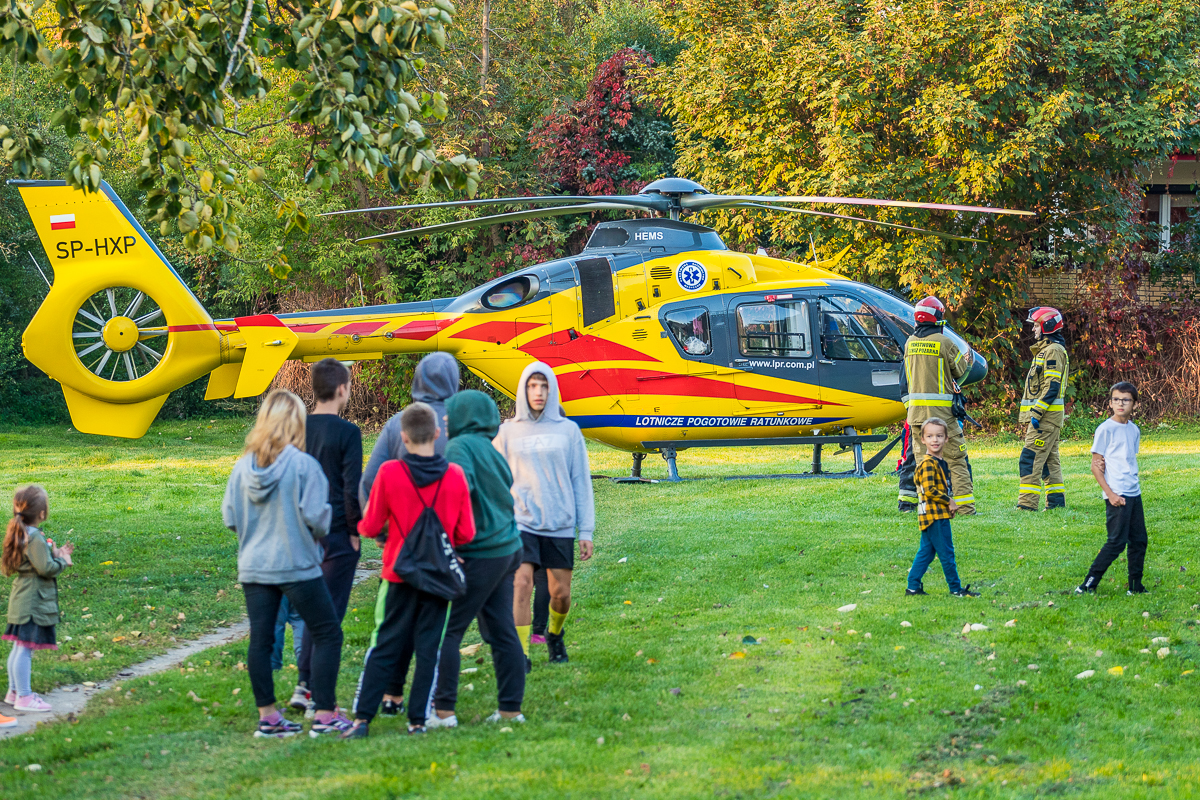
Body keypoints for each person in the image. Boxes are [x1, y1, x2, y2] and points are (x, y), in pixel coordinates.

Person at [221, 390, 350, 738]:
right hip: (296, 564)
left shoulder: (242, 466)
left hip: (255, 566)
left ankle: (268, 717)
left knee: (260, 641)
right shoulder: (304, 465)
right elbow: (319, 520)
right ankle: (324, 714)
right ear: (297, 423)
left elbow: (230, 517)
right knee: (326, 632)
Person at [343, 402, 475, 739]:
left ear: (403, 437)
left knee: (385, 644)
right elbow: (465, 534)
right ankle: (417, 719)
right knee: (428, 648)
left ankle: (362, 719)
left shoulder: (389, 473)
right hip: (438, 575)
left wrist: (388, 529)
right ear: (436, 433)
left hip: (399, 572)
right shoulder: (455, 475)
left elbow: (370, 525)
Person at [358, 352, 459, 715]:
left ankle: (389, 693)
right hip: (444, 549)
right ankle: (425, 707)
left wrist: (383, 533)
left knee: (391, 626)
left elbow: (369, 483)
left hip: (399, 547)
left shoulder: (399, 424)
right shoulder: (458, 423)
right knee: (433, 632)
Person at [427, 390, 527, 729]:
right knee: (502, 629)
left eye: (449, 413)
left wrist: (448, 539)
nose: (444, 418)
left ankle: (443, 712)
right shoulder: (489, 449)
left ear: (464, 417)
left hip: (480, 551)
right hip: (507, 548)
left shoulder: (459, 448)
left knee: (447, 630)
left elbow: (458, 487)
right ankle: (511, 710)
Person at [496, 362, 595, 668]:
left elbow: (581, 480)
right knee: (521, 584)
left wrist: (586, 531)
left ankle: (553, 633)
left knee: (560, 594)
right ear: (523, 390)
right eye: (532, 386)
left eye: (544, 386)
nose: (538, 392)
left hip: (559, 523)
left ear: (552, 390)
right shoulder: (507, 432)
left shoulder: (568, 431)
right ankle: (521, 653)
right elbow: (493, 477)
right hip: (520, 523)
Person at [287, 358, 363, 717]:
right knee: (330, 615)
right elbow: (351, 488)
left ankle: (304, 684)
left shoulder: (296, 429)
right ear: (343, 389)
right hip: (334, 533)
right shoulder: (348, 433)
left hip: (302, 531)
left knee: (312, 613)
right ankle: (319, 697)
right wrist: (354, 532)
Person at [898, 297, 977, 515]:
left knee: (924, 465)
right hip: (942, 417)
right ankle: (966, 509)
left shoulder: (909, 343)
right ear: (938, 317)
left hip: (916, 417)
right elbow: (961, 371)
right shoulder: (945, 343)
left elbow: (905, 379)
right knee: (957, 461)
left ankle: (930, 508)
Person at [3, 485, 73, 715]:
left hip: (22, 597)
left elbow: (35, 560)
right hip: (32, 601)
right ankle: (24, 696)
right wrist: (64, 561)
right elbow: (45, 568)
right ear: (42, 513)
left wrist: (53, 552)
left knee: (18, 647)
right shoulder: (33, 537)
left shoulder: (21, 532)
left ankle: (14, 692)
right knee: (25, 649)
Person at [1076, 382, 1146, 595]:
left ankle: (1135, 587)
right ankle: (1087, 585)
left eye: (1126, 400)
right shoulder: (1105, 429)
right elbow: (1095, 467)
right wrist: (1111, 494)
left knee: (1139, 541)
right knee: (1116, 543)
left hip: (1134, 492)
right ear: (1110, 402)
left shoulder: (1134, 430)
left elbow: (1127, 460)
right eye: (1116, 399)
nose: (1120, 403)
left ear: (1134, 404)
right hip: (1117, 494)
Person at [905, 418, 979, 598]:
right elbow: (930, 490)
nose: (935, 440)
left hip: (934, 515)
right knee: (946, 553)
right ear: (923, 440)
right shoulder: (928, 464)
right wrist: (950, 502)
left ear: (946, 439)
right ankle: (955, 589)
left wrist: (948, 508)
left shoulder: (939, 463)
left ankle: (913, 588)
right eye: (929, 436)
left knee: (926, 553)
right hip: (934, 517)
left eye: (939, 436)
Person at [1018, 307, 1071, 511]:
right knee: (1050, 460)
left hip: (1045, 418)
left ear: (1047, 326)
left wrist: (1037, 413)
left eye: (1036, 325)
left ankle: (1026, 505)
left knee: (1030, 458)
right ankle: (1056, 504)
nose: (1033, 330)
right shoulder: (1048, 349)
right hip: (1049, 417)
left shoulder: (1053, 351)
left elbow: (1052, 386)